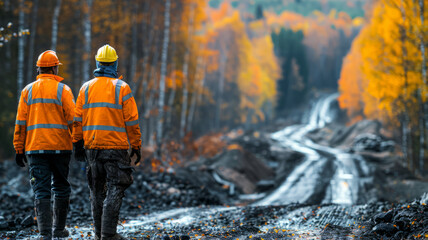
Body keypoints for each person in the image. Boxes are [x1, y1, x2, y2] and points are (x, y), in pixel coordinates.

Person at [72, 44, 142, 240]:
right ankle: (108, 234)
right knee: (116, 186)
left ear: (97, 63)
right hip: (116, 149)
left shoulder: (85, 88)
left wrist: (77, 144)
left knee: (96, 189)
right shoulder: (122, 88)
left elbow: (77, 121)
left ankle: (98, 234)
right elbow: (132, 122)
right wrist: (136, 145)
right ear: (115, 63)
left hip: (92, 149)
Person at [13, 50, 75, 239]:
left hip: (35, 149)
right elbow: (73, 120)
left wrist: (18, 147)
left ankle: (45, 233)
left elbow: (20, 122)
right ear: (55, 68)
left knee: (41, 188)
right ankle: (58, 230)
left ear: (39, 69)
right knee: (61, 187)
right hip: (61, 148)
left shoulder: (27, 91)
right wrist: (79, 143)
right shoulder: (63, 90)